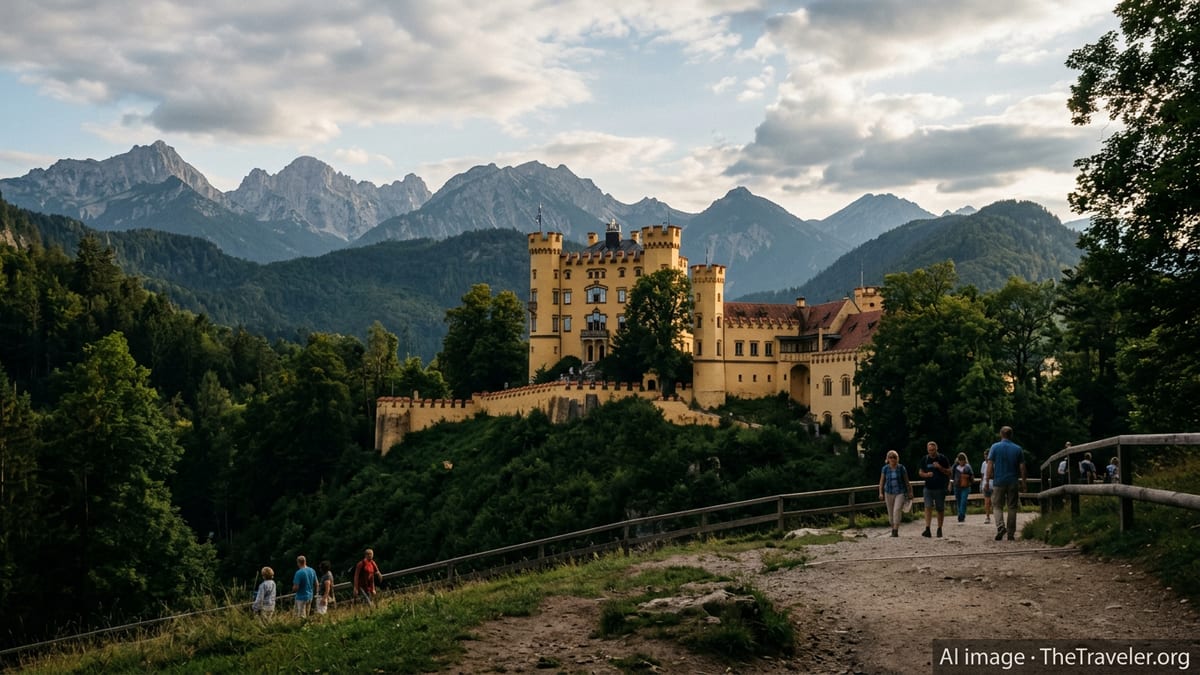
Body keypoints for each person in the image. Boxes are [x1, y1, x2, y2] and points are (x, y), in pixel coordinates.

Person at [987, 426, 1026, 541]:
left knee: (997, 505)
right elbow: (1022, 468)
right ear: (1011, 435)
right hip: (1013, 481)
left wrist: (986, 480)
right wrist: (1023, 482)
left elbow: (989, 465)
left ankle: (1000, 526)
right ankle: (1010, 533)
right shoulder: (1018, 449)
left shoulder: (994, 447)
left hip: (998, 481)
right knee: (1012, 507)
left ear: (1001, 434)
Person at [918, 441, 952, 538]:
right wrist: (926, 475)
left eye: (933, 450)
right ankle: (927, 529)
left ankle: (939, 528)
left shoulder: (942, 458)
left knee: (940, 509)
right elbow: (920, 472)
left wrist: (940, 468)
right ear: (927, 450)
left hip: (940, 488)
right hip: (928, 487)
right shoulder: (925, 459)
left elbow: (950, 472)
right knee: (928, 507)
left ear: (936, 449)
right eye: (929, 450)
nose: (931, 452)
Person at [878, 450, 913, 537]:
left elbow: (906, 481)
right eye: (891, 457)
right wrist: (880, 493)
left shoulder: (901, 468)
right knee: (890, 513)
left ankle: (895, 530)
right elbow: (882, 482)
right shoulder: (885, 468)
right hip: (888, 492)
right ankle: (893, 527)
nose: (892, 459)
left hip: (900, 492)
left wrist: (910, 492)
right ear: (887, 459)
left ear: (897, 458)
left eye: (894, 457)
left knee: (896, 510)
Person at [951, 452, 974, 523]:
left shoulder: (968, 467)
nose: (961, 461)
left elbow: (972, 476)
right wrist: (950, 483)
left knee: (963, 501)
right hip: (956, 486)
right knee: (959, 501)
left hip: (965, 486)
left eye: (962, 460)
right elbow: (951, 475)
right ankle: (961, 515)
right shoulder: (955, 466)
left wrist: (970, 481)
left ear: (965, 460)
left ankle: (961, 515)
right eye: (960, 460)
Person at [979, 449, 993, 524]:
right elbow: (982, 475)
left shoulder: (994, 464)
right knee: (987, 502)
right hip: (985, 485)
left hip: (993, 484)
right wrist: (981, 484)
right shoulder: (983, 464)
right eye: (985, 455)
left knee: (994, 502)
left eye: (987, 455)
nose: (985, 456)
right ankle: (987, 516)